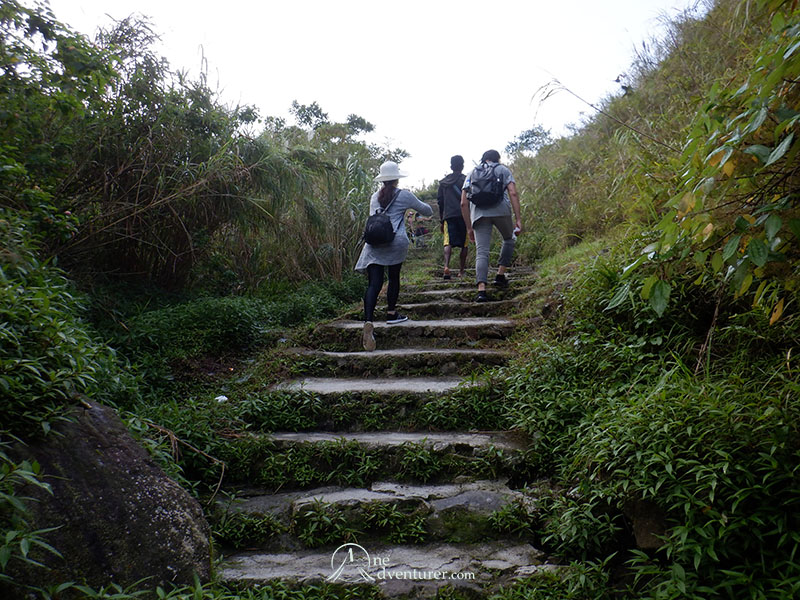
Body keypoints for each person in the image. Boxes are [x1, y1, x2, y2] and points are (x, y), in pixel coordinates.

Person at [355, 161, 433, 350]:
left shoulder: (375, 196)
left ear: (382, 179)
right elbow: (428, 211)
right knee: (394, 277)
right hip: (395, 241)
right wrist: (411, 209)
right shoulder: (404, 195)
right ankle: (391, 314)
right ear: (397, 178)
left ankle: (368, 320)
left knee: (374, 283)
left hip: (374, 242)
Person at [460, 150, 523, 302]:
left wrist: (469, 227)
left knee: (482, 252)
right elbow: (513, 193)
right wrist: (518, 218)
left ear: (483, 159)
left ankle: (481, 291)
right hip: (501, 211)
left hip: (479, 215)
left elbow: (463, 203)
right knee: (509, 239)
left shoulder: (471, 173)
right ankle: (500, 275)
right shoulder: (502, 170)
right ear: (497, 158)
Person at [437, 155, 468, 279]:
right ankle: (461, 271)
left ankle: (446, 267)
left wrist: (441, 219)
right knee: (464, 245)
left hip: (448, 216)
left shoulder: (444, 183)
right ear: (462, 166)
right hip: (464, 216)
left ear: (451, 166)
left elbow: (440, 202)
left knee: (447, 242)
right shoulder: (466, 180)